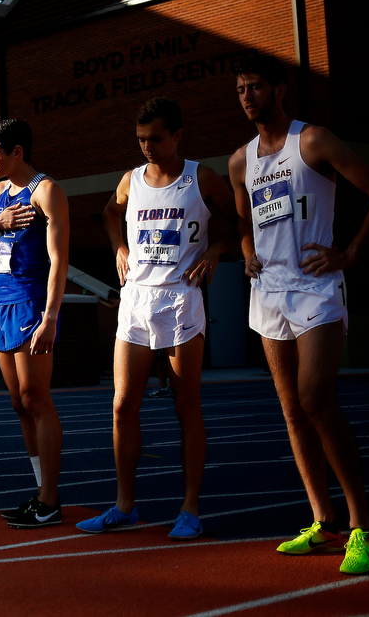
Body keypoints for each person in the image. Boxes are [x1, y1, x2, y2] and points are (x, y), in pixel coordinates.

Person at [228, 55, 369, 575]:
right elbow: (243, 220)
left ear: (280, 90)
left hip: (316, 287)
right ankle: (322, 521)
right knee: (291, 409)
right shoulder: (240, 161)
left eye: (255, 86)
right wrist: (244, 249)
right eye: (239, 89)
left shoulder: (314, 141)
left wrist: (347, 255)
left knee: (316, 399)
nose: (246, 96)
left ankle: (362, 525)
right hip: (269, 290)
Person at [81, 99, 234, 539]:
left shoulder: (200, 177)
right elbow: (111, 213)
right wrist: (118, 247)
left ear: (178, 135)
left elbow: (242, 221)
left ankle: (189, 509)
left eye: (157, 138)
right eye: (141, 139)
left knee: (187, 406)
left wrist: (215, 250)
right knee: (123, 404)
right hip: (136, 300)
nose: (148, 147)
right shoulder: (130, 180)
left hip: (181, 299)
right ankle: (124, 505)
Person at [0, 119, 70, 528]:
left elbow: (60, 259)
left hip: (32, 304)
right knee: (18, 403)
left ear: (17, 152)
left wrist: (51, 316)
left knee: (36, 399)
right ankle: (41, 491)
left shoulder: (46, 191)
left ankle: (50, 499)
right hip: (1, 306)